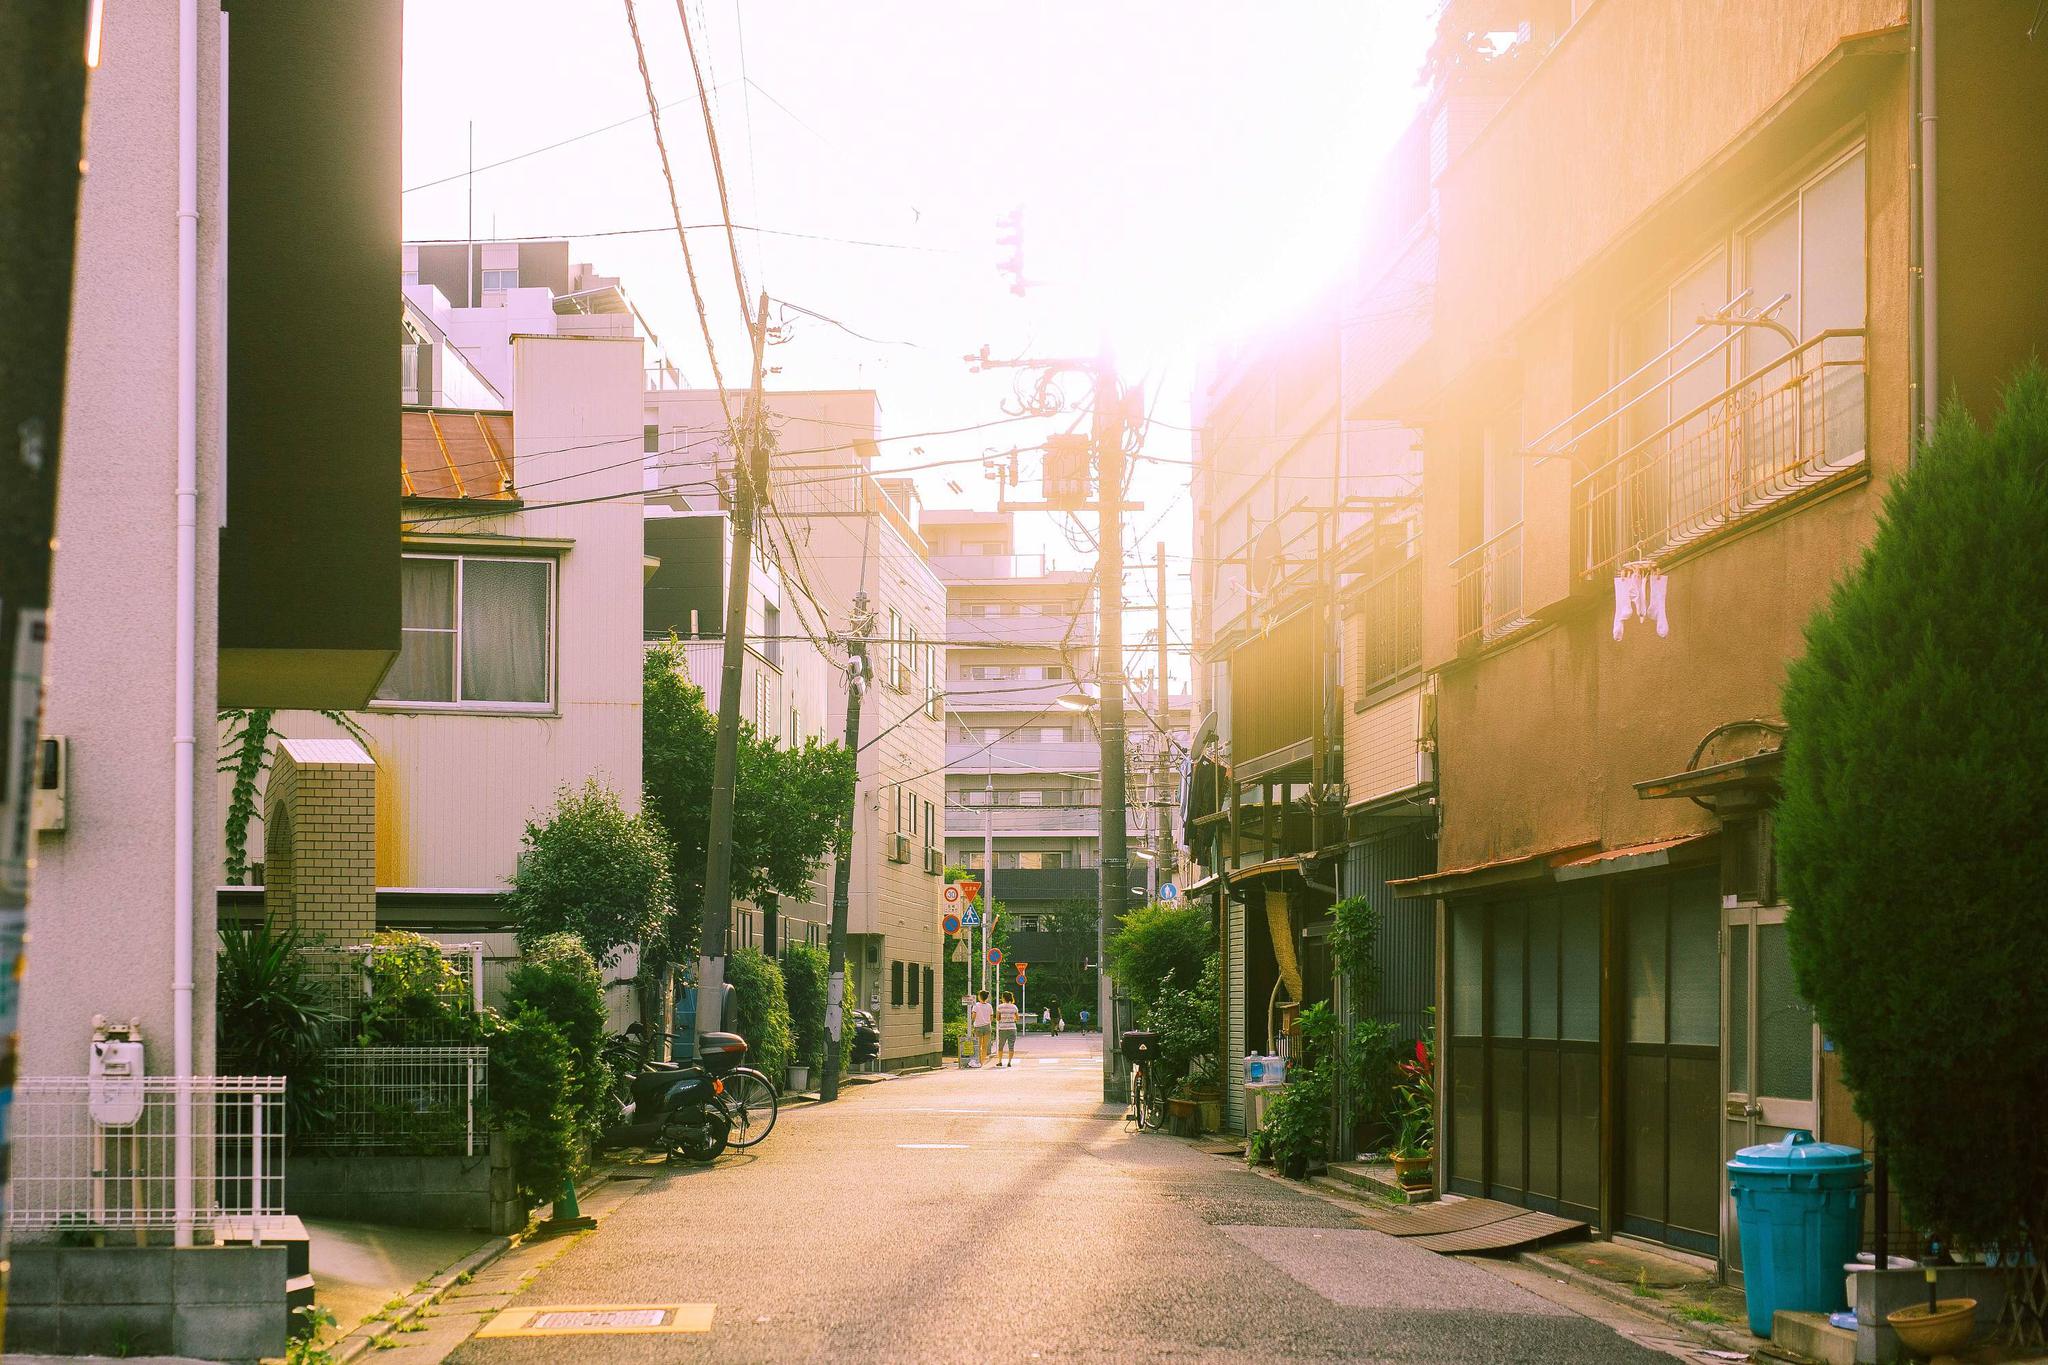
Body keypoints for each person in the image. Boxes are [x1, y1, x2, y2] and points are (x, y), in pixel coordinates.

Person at [994, 992, 1020, 1067]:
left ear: (1003, 998)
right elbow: (1017, 1018)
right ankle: (1009, 1062)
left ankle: (1000, 1061)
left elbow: (998, 1018)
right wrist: (1012, 1018)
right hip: (1012, 1027)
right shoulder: (1014, 1007)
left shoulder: (1000, 1007)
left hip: (1002, 1028)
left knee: (1001, 1045)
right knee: (1011, 1046)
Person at [969, 990, 994, 1067]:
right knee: (985, 1046)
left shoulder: (976, 1005)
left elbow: (973, 1016)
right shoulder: (989, 1006)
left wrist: (972, 1022)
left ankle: (978, 1061)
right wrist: (986, 1021)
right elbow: (991, 1017)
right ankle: (982, 1062)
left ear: (980, 996)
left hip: (978, 1027)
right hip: (987, 1026)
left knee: (978, 1045)